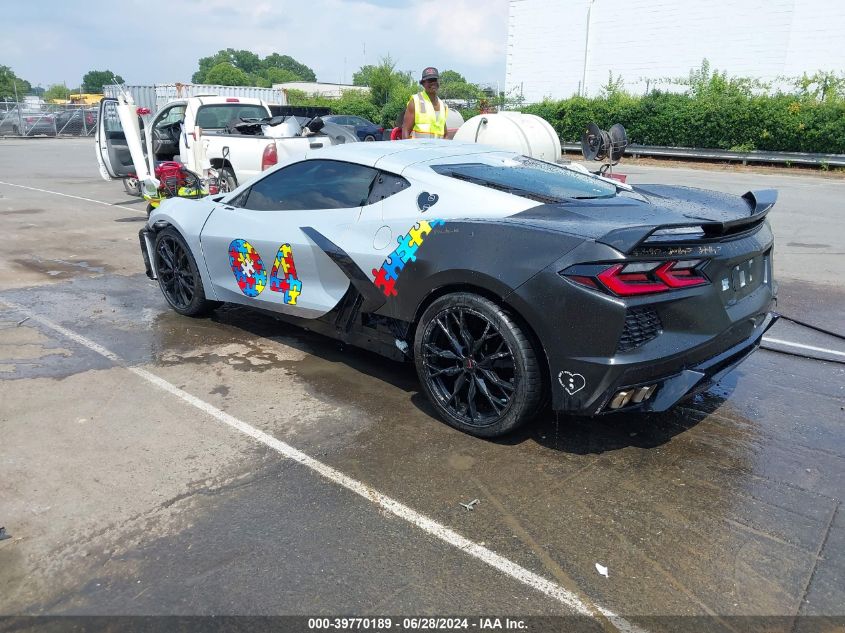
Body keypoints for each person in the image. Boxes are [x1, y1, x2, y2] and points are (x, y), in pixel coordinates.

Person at [402, 67, 450, 140]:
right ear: (423, 83)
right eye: (430, 80)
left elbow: (445, 134)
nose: (433, 83)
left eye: (435, 80)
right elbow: (405, 131)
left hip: (438, 147)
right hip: (418, 147)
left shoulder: (443, 106)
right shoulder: (415, 102)